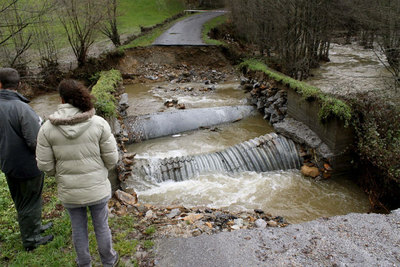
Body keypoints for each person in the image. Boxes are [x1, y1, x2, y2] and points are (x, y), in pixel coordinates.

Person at [36, 79, 119, 267]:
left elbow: (45, 165)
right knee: (101, 225)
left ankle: (84, 263)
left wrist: (60, 175)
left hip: (70, 191)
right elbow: (112, 159)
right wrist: (100, 171)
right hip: (97, 187)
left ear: (61, 99)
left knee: (78, 228)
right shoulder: (98, 123)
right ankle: (108, 260)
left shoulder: (47, 128)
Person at [0, 68, 53, 251]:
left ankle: (35, 227)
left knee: (22, 201)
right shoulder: (22, 108)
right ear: (19, 85)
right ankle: (32, 240)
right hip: (27, 165)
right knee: (30, 201)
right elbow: (34, 141)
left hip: (7, 163)